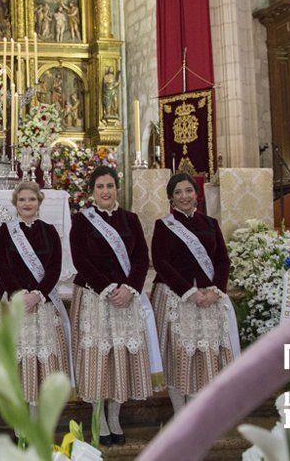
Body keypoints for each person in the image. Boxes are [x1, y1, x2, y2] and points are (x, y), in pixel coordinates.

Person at [69, 166, 159, 446]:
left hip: (126, 297)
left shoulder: (130, 219)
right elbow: (80, 259)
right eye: (100, 187)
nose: (105, 191)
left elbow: (142, 258)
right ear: (92, 191)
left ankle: (115, 415)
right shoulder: (82, 221)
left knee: (120, 357)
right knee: (99, 359)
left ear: (116, 188)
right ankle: (99, 416)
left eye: (109, 186)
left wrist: (130, 288)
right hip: (95, 297)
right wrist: (107, 288)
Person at [151, 172, 238, 414]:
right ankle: (180, 413)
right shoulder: (163, 226)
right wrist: (189, 292)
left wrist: (215, 290)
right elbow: (161, 263)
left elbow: (222, 260)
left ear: (196, 194)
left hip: (209, 298)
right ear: (171, 198)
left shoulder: (211, 224)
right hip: (176, 297)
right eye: (177, 192)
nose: (184, 196)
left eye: (188, 190)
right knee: (179, 357)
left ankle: (200, 412)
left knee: (205, 357)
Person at [0, 181, 70, 409]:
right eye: (22, 199)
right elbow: (1, 266)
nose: (27, 203)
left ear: (39, 202)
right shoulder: (6, 231)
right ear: (15, 203)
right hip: (13, 303)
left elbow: (55, 268)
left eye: (32, 199)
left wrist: (37, 295)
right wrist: (19, 293)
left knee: (41, 363)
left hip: (42, 303)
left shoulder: (50, 231)